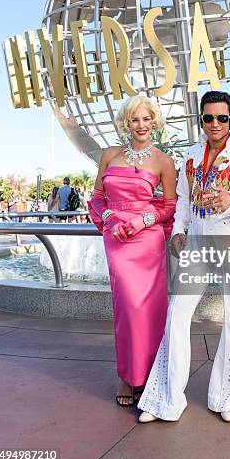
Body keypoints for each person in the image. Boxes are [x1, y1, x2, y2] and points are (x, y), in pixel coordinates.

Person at [138, 91, 230, 423]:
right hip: (195, 244)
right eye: (208, 118)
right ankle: (166, 398)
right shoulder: (191, 155)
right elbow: (181, 198)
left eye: (222, 118)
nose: (215, 124)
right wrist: (178, 230)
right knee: (177, 314)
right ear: (201, 119)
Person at [88, 95, 176, 406]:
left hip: (146, 237)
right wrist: (110, 218)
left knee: (148, 309)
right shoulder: (109, 155)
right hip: (116, 236)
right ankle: (127, 375)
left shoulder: (164, 161)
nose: (141, 125)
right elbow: (97, 198)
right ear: (127, 123)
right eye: (135, 120)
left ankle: (149, 376)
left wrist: (142, 220)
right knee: (127, 306)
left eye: (146, 119)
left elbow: (169, 207)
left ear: (155, 122)